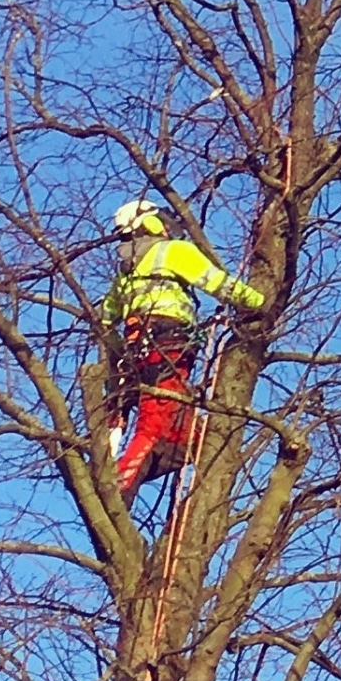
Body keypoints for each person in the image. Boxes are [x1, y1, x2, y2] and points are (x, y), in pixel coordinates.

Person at [99, 196, 266, 496]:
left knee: (187, 435)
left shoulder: (126, 272)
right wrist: (257, 302)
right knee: (151, 427)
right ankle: (118, 492)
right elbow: (216, 282)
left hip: (139, 352)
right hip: (168, 345)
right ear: (151, 222)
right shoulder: (173, 251)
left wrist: (118, 355)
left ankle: (136, 474)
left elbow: (106, 318)